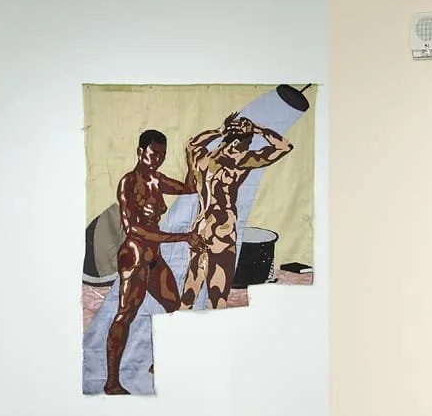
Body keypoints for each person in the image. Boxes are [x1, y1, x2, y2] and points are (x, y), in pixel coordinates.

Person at [103, 130, 199, 395]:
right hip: (135, 257)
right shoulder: (129, 182)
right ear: (140, 152)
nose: (158, 159)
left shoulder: (158, 180)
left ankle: (162, 362)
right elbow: (134, 229)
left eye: (162, 155)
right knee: (125, 315)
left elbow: (190, 188)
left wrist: (190, 161)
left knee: (175, 308)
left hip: (154, 257)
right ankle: (111, 382)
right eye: (153, 153)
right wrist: (182, 237)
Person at [181, 114, 294, 309]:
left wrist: (219, 131)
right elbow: (284, 147)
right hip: (221, 231)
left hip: (199, 228)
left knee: (190, 289)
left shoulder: (202, 158)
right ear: (239, 143)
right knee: (218, 297)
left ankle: (181, 322)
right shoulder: (239, 160)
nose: (248, 147)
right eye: (248, 142)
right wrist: (258, 129)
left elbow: (191, 143)